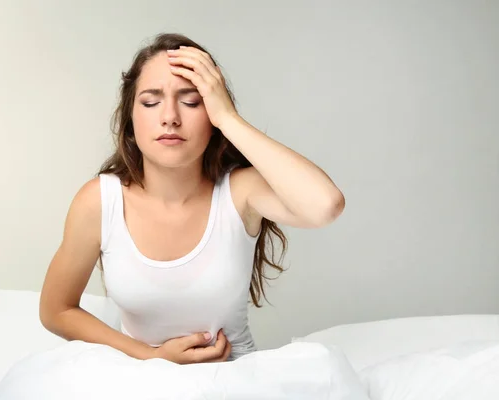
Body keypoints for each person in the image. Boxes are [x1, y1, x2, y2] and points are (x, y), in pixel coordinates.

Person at [39, 32, 345, 365]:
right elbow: (56, 309)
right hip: (138, 382)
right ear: (130, 119)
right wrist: (152, 356)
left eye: (190, 101)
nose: (170, 116)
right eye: (151, 101)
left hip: (233, 383)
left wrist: (229, 119)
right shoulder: (100, 200)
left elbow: (325, 205)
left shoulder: (240, 192)